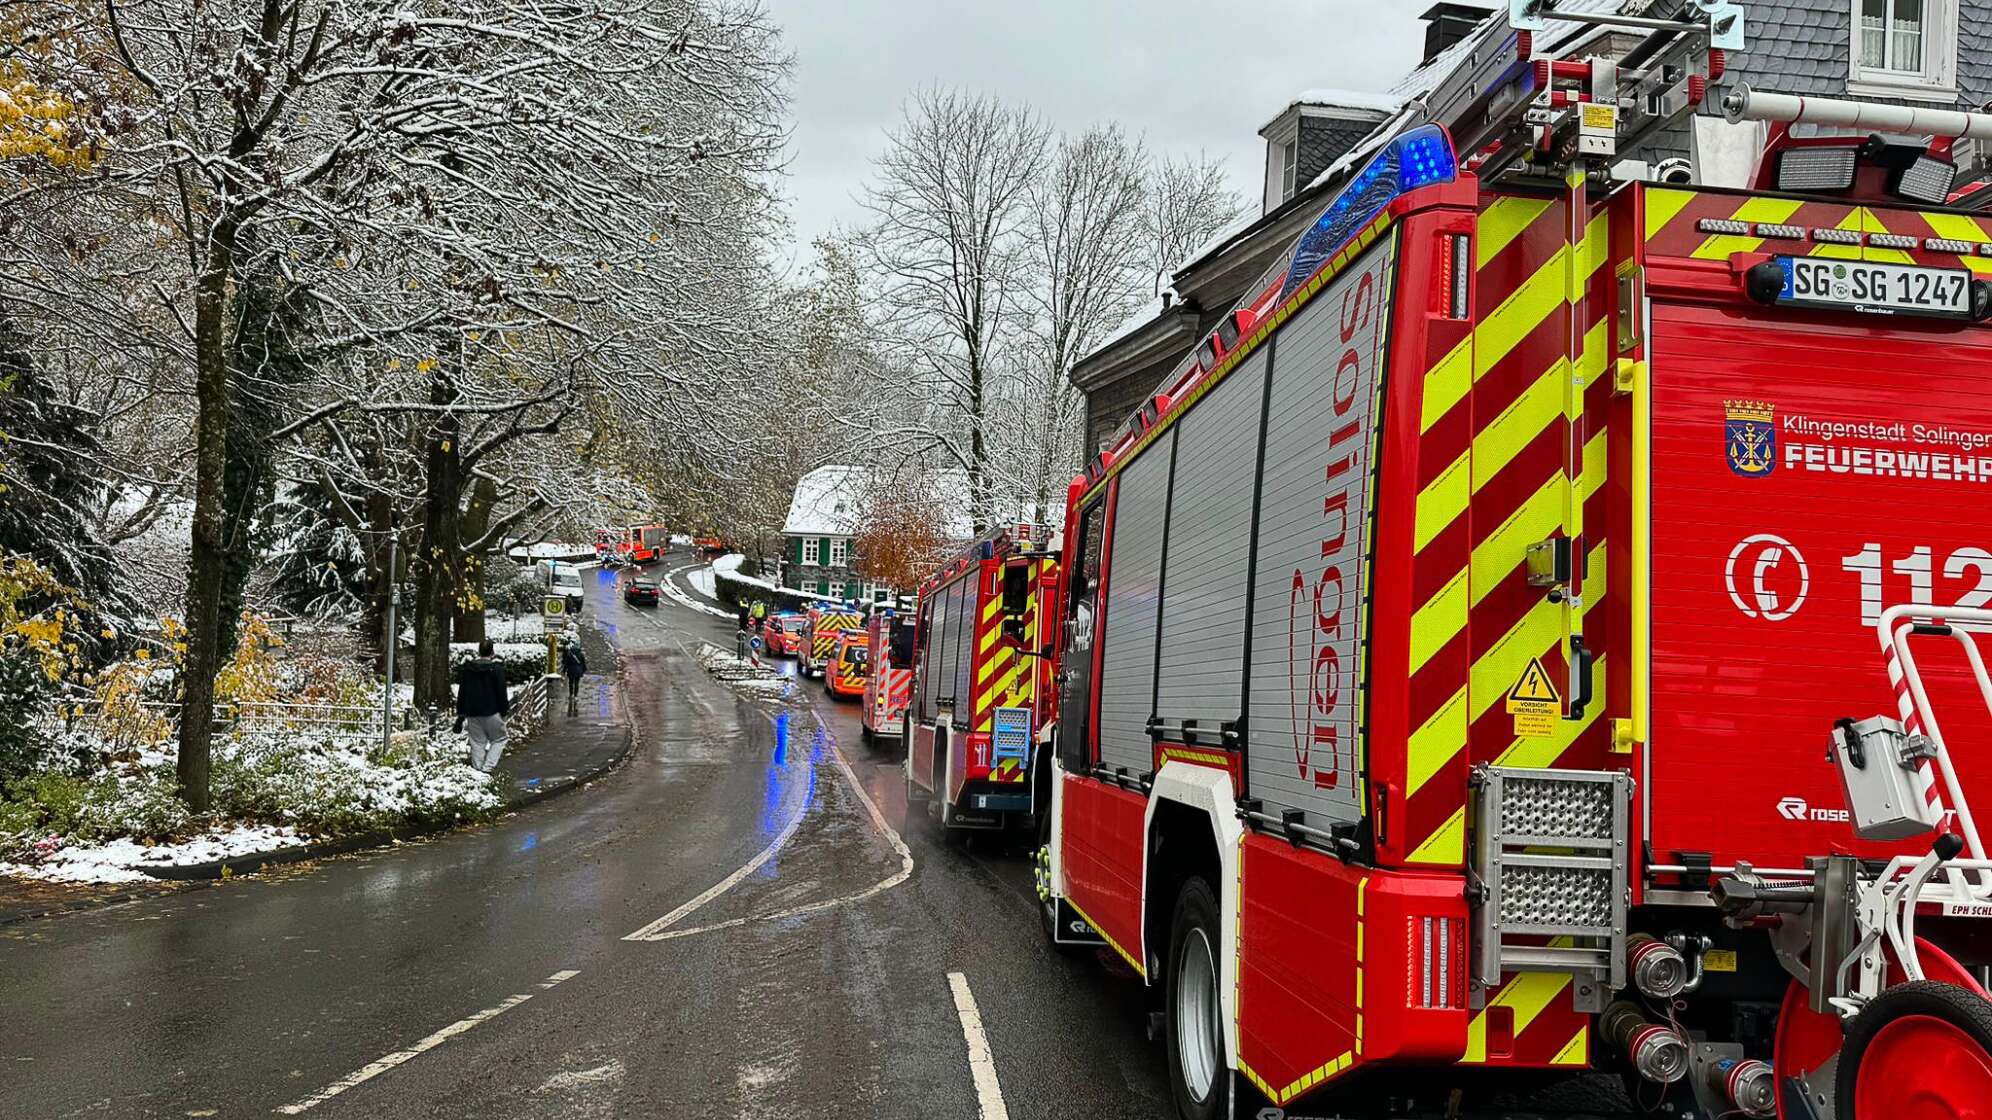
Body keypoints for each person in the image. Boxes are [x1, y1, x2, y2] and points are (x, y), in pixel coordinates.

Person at [454, 639, 511, 773]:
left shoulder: (468, 670)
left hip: (472, 712)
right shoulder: (496, 670)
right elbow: (501, 692)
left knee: (477, 742)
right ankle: (487, 768)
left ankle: (478, 771)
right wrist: (504, 711)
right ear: (492, 652)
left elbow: (462, 693)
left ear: (479, 652)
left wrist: (461, 715)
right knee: (500, 738)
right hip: (492, 711)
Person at [560, 639, 587, 717]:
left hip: (571, 670)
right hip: (578, 670)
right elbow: (583, 663)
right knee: (577, 683)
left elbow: (566, 663)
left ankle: (571, 694)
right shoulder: (581, 654)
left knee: (570, 682)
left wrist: (564, 671)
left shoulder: (569, 654)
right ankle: (575, 695)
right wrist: (584, 670)